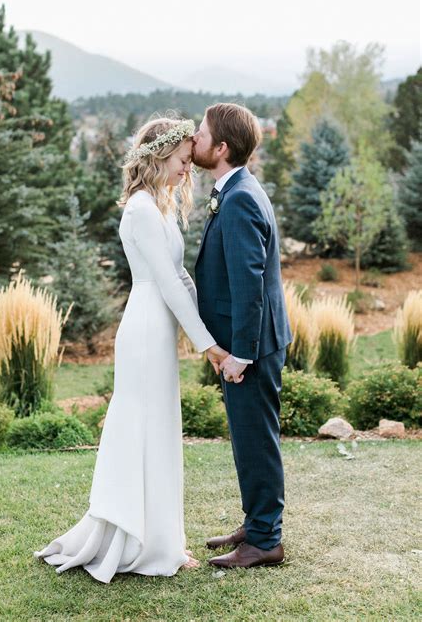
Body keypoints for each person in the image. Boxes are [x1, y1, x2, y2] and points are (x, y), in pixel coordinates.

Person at [33, 117, 228, 583]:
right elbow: (164, 281)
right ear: (159, 156)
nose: (187, 170)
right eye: (182, 161)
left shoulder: (158, 206)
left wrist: (207, 328)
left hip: (159, 327)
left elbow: (181, 278)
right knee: (143, 429)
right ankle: (138, 542)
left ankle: (161, 539)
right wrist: (207, 344)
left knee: (160, 431)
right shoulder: (140, 209)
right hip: (144, 328)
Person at [192, 102, 292, 569]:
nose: (195, 138)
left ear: (222, 147)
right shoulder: (236, 190)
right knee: (248, 438)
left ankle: (266, 539)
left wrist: (240, 355)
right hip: (243, 340)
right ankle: (256, 524)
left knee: (256, 440)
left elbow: (250, 285)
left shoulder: (241, 198)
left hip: (249, 345)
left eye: (201, 132)